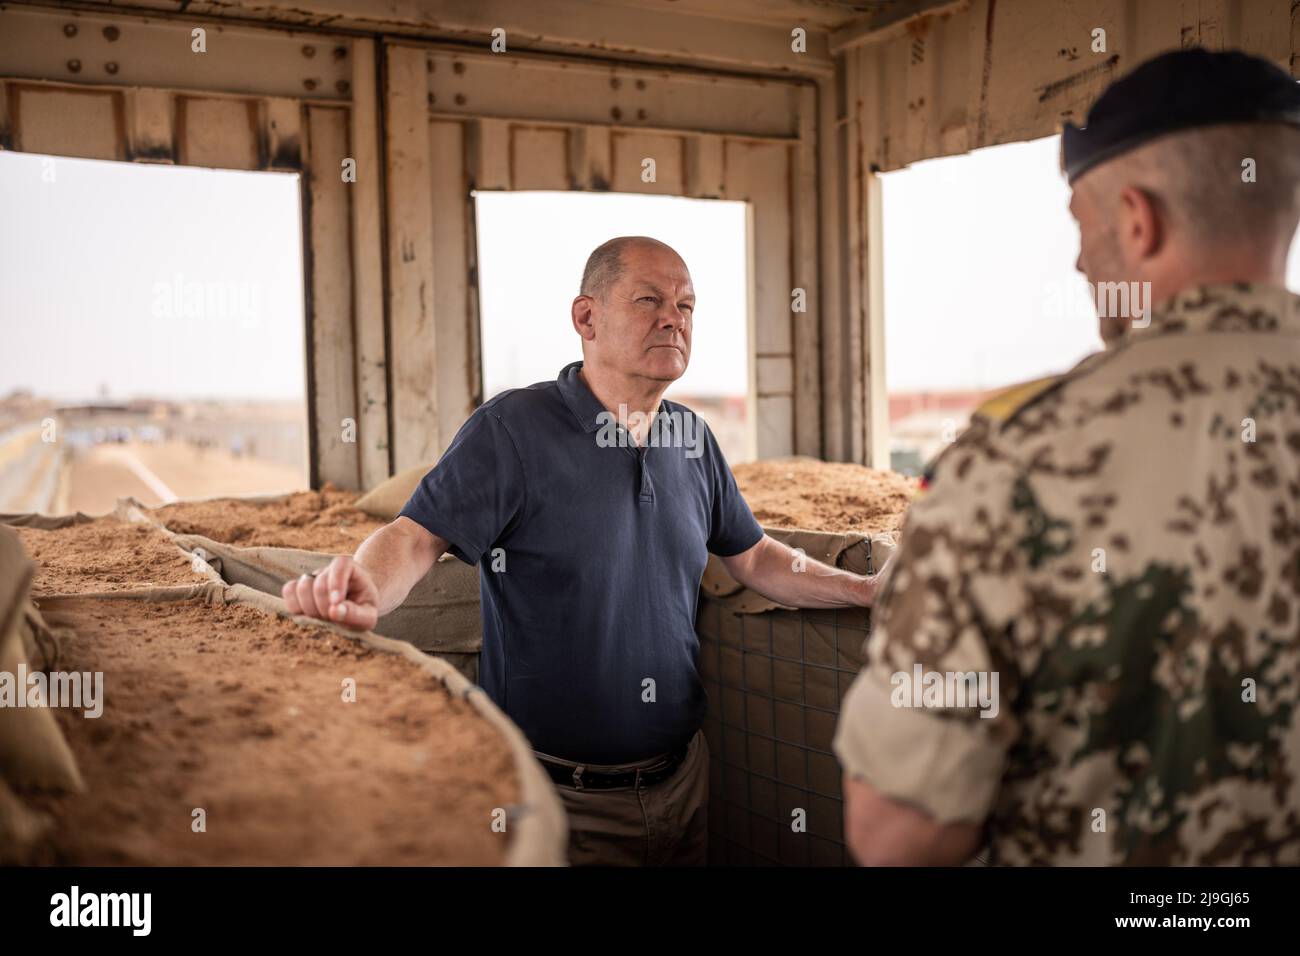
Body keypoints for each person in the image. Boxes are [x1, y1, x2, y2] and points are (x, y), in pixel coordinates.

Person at [833, 47, 1300, 866]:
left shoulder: (1018, 459)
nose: (1081, 264)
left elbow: (900, 831)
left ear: (1137, 220)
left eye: (1083, 231)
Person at [285, 236, 890, 866]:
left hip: (683, 782)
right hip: (558, 800)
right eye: (649, 300)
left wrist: (864, 590)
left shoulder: (693, 438)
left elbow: (755, 556)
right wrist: (364, 586)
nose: (673, 319)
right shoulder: (512, 431)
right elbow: (413, 537)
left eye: (686, 306)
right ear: (586, 318)